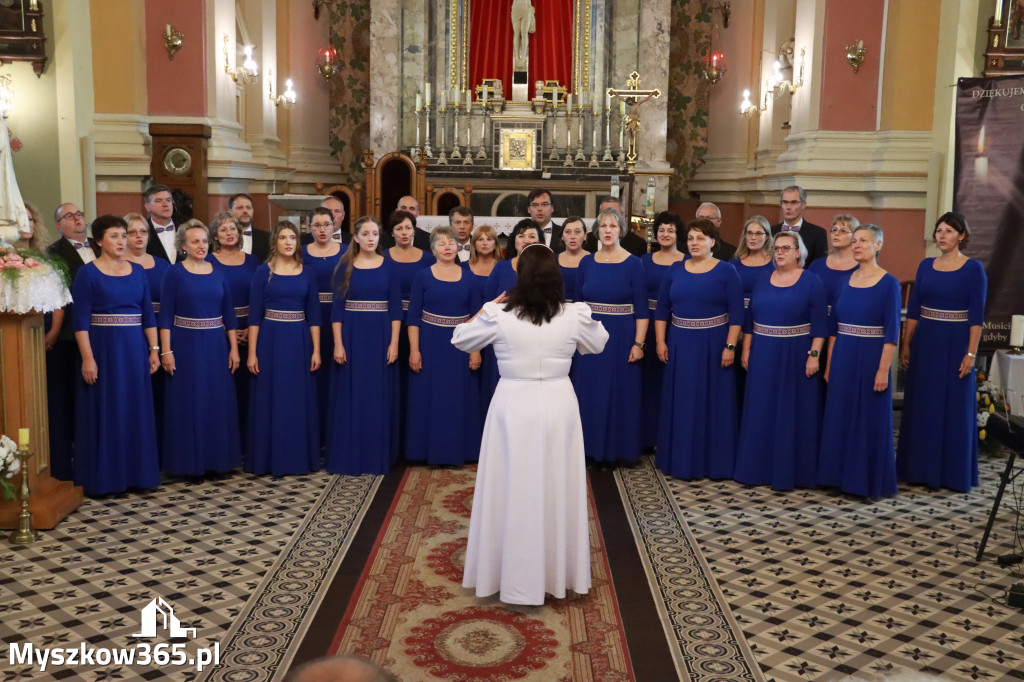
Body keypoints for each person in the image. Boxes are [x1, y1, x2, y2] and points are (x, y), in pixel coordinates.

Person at [452, 244, 609, 605]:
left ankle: (507, 575)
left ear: (519, 275)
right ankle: (557, 573)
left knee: (511, 486)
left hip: (513, 403)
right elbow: (599, 343)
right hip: (558, 403)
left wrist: (488, 306)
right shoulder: (573, 314)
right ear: (557, 275)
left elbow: (460, 338)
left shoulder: (500, 313)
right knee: (557, 485)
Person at [71, 215, 161, 495]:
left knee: (135, 409)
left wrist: (155, 350)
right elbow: (80, 322)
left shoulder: (138, 272)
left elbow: (148, 315)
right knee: (107, 409)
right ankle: (107, 479)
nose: (122, 241)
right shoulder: (87, 273)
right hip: (104, 350)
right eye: (114, 236)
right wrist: (88, 358)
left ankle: (139, 476)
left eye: (124, 236)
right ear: (98, 240)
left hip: (134, 350)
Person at [897, 212, 986, 492]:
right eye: (939, 230)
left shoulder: (974, 269)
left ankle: (952, 473)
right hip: (927, 342)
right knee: (923, 403)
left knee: (954, 406)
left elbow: (976, 317)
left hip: (956, 343)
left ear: (961, 235)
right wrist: (906, 343)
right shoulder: (925, 266)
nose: (942, 235)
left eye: (948, 231)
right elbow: (914, 310)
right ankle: (917, 469)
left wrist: (970, 354)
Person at [734, 231, 827, 490]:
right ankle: (756, 470)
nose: (780, 252)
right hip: (763, 352)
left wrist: (814, 356)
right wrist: (746, 350)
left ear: (799, 252)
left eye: (787, 248)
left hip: (797, 354)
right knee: (761, 409)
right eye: (776, 248)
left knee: (793, 410)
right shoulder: (763, 280)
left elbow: (821, 326)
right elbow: (750, 320)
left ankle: (794, 472)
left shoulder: (811, 281)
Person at [654, 218, 743, 480]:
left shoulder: (727, 271)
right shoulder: (675, 270)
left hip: (714, 344)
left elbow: (737, 314)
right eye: (691, 238)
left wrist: (730, 346)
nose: (694, 243)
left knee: (712, 402)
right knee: (683, 402)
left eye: (700, 238)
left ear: (712, 242)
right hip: (680, 342)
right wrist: (660, 341)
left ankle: (713, 463)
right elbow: (661, 309)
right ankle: (680, 460)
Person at [819, 224, 900, 498]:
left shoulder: (889, 283)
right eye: (854, 241)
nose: (856, 245)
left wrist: (882, 371)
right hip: (843, 355)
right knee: (839, 416)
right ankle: (837, 478)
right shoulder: (844, 281)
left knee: (868, 418)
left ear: (878, 245)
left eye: (863, 241)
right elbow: (834, 328)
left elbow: (891, 333)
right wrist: (829, 364)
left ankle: (865, 483)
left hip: (872, 357)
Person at [158, 220, 241, 477]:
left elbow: (228, 313)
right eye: (195, 241)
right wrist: (166, 351)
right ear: (183, 245)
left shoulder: (218, 273)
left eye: (204, 241)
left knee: (215, 401)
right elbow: (165, 316)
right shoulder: (174, 273)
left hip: (216, 346)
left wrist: (234, 349)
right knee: (188, 402)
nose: (201, 246)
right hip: (185, 345)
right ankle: (187, 464)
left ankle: (217, 462)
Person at [326, 216, 401, 475]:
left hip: (380, 338)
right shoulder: (344, 266)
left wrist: (394, 343)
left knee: (376, 397)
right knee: (352, 395)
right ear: (355, 238)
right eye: (366, 234)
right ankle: (350, 455)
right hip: (352, 336)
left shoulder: (389, 267)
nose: (371, 238)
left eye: (375, 234)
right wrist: (338, 344)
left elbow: (395, 311)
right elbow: (336, 311)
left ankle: (375, 456)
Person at [247, 221, 321, 475]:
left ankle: (297, 458)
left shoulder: (308, 272)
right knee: (271, 398)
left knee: (296, 399)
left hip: (299, 340)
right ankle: (269, 459)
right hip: (270, 340)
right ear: (275, 242)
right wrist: (252, 352)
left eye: (293, 238)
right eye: (283, 237)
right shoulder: (261, 272)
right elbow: (254, 316)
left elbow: (314, 315)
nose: (289, 242)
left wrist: (316, 350)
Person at [574, 208, 648, 465]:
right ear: (596, 231)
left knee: (619, 392)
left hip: (621, 335)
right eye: (603, 226)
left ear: (621, 231)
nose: (607, 230)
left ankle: (618, 451)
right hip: (589, 335)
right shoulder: (587, 262)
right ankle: (589, 450)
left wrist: (638, 344)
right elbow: (579, 303)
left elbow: (641, 309)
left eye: (613, 226)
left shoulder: (634, 264)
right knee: (590, 391)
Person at [406, 226, 482, 465]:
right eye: (441, 243)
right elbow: (413, 317)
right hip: (429, 344)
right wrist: (415, 350)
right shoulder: (422, 276)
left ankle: (460, 451)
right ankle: (424, 452)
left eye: (451, 242)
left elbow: (476, 318)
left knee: (456, 399)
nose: (448, 247)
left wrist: (475, 350)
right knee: (429, 398)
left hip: (459, 346)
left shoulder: (469, 276)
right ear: (433, 250)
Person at [44, 202, 95, 481]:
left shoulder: (101, 246)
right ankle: (65, 466)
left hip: (102, 332)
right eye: (69, 216)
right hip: (67, 336)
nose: (76, 219)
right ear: (59, 225)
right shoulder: (53, 253)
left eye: (79, 214)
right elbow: (57, 296)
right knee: (66, 399)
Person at [208, 211, 261, 455]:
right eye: (223, 230)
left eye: (233, 229)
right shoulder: (208, 261)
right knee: (223, 389)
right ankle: (226, 446)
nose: (229, 233)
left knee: (250, 390)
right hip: (217, 332)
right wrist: (228, 331)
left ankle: (248, 444)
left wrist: (250, 329)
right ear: (215, 236)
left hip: (252, 330)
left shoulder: (253, 262)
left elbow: (261, 298)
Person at [382, 209, 435, 452]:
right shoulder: (382, 257)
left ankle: (414, 437)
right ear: (391, 232)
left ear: (415, 230)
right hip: (388, 324)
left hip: (419, 326)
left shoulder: (427, 258)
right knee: (392, 378)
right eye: (399, 228)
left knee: (416, 377)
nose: (404, 232)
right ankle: (392, 435)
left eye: (408, 227)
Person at [481, 220, 541, 416]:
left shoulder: (547, 269)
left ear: (540, 242)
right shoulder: (501, 268)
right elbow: (488, 302)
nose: (526, 240)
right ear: (513, 240)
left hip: (535, 340)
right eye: (521, 236)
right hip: (502, 339)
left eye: (532, 236)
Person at [124, 211, 172, 456]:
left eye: (143, 231)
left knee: (161, 394)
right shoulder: (119, 265)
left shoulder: (162, 265)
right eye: (132, 232)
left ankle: (161, 452)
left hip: (161, 332)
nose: (139, 236)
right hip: (130, 334)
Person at [640, 211, 687, 452]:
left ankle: (667, 436)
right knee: (646, 380)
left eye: (670, 230)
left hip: (676, 326)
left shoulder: (687, 262)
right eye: (661, 230)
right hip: (646, 325)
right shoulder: (643, 261)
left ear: (678, 234)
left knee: (670, 381)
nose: (665, 234)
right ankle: (646, 436)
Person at [304, 207, 347, 446]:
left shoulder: (347, 252)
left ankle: (335, 433)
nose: (322, 229)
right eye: (317, 225)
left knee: (337, 374)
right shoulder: (300, 253)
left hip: (340, 319)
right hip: (310, 320)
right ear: (310, 228)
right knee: (313, 373)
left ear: (334, 227)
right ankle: (314, 433)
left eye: (326, 225)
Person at [808, 214, 859, 320]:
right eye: (833, 229)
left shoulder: (861, 267)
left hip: (848, 323)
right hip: (817, 321)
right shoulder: (817, 265)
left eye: (843, 231)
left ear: (855, 236)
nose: (836, 233)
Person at [770, 185, 828, 265]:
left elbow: (819, 266)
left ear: (803, 205)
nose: (788, 207)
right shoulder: (771, 231)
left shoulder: (818, 234)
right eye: (785, 202)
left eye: (793, 202)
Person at [506, 189, 560, 257]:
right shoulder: (514, 236)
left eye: (544, 204)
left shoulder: (563, 234)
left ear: (552, 208)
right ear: (528, 209)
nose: (540, 209)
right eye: (535, 205)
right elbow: (510, 262)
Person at [230, 193, 270, 262]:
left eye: (248, 207)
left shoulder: (267, 238)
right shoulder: (222, 237)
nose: (245, 211)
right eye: (240, 207)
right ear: (230, 211)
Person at [556, 215, 588, 302]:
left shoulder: (594, 260)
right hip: (558, 312)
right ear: (562, 236)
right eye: (568, 232)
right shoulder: (552, 260)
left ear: (585, 236)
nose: (572, 236)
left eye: (577, 232)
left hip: (585, 312)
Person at [144, 184, 178, 262]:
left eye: (168, 200)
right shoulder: (142, 231)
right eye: (158, 201)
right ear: (147, 206)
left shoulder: (184, 229)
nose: (165, 205)